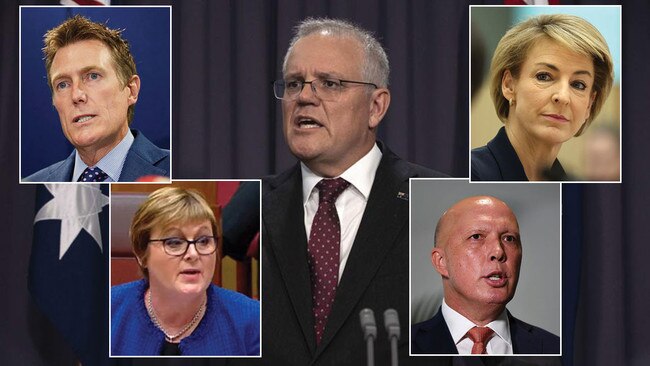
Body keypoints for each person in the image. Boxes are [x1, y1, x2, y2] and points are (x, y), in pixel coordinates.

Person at [261, 17, 447, 366]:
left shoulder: (440, 202)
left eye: (329, 84)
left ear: (376, 106)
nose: (303, 97)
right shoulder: (253, 205)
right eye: (294, 83)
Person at [111, 187, 259, 356]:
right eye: (174, 242)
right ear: (141, 253)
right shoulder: (105, 312)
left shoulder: (253, 320)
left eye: (203, 241)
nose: (193, 254)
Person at [24, 15, 169, 182]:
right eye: (63, 84)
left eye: (93, 76)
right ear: (54, 102)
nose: (77, 95)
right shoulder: (33, 183)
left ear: (131, 90)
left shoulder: (181, 171)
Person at [471, 14, 614, 181]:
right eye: (544, 76)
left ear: (590, 104)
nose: (562, 96)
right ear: (509, 84)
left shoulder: (573, 189)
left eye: (578, 85)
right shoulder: (470, 174)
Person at [412, 196, 559, 355]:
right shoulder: (397, 350)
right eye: (476, 237)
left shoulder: (557, 350)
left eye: (509, 238)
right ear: (441, 262)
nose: (498, 251)